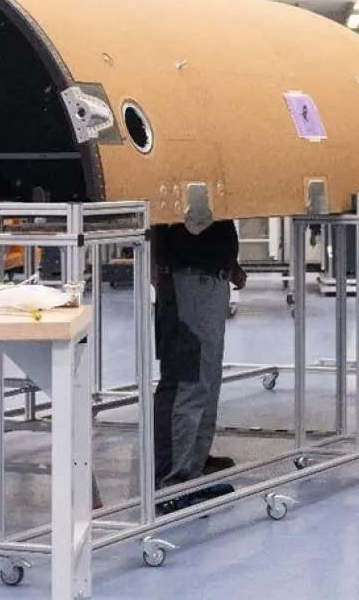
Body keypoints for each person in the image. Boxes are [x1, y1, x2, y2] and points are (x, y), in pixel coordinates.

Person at [149, 219, 245, 511]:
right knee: (187, 382)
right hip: (189, 280)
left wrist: (230, 262)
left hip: (206, 278)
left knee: (205, 380)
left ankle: (192, 466)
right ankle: (174, 483)